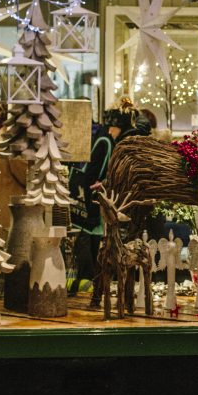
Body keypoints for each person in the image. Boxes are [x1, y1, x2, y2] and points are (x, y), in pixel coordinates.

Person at [68, 106, 139, 305]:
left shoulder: (101, 138)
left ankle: (92, 287)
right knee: (95, 243)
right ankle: (91, 284)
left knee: (92, 241)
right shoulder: (106, 141)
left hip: (91, 200)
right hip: (94, 200)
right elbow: (95, 172)